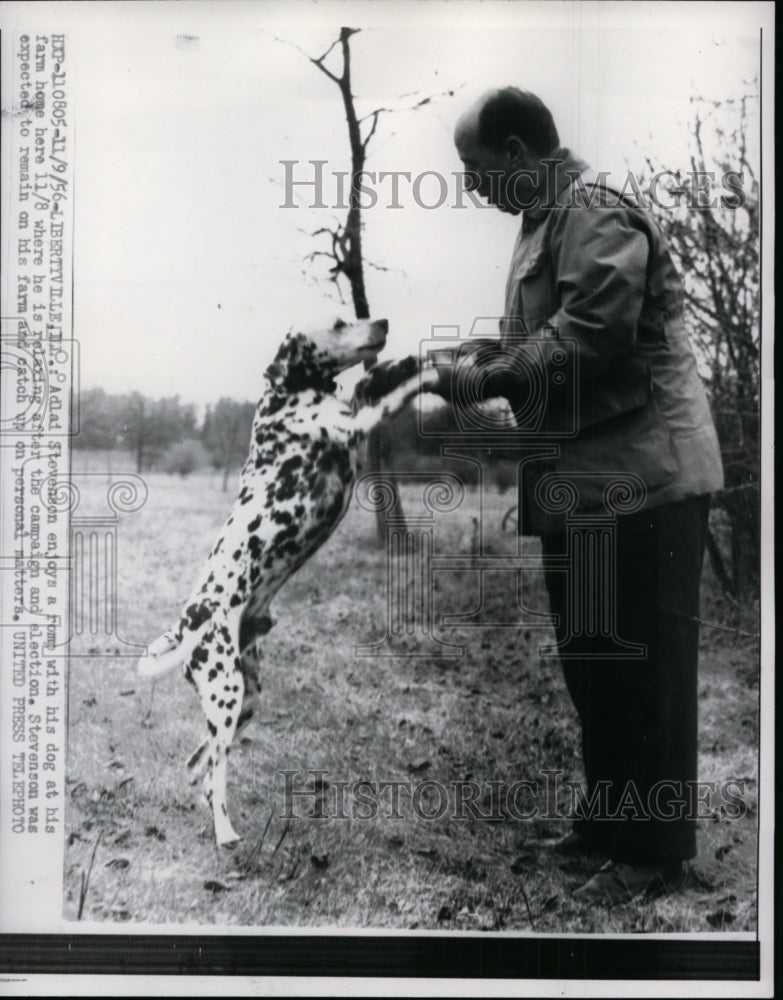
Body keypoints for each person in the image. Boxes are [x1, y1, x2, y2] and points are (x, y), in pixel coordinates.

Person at [437, 88, 724, 904]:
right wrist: (485, 347)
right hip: (591, 487)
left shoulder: (590, 211)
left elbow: (594, 330)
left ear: (522, 154)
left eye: (478, 169)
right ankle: (606, 825)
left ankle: (653, 851)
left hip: (648, 482)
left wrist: (492, 374)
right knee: (595, 662)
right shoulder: (543, 223)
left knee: (642, 667)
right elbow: (550, 331)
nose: (473, 187)